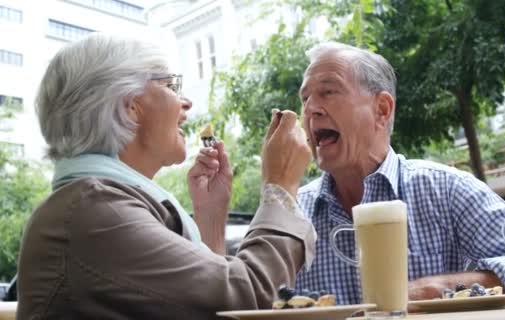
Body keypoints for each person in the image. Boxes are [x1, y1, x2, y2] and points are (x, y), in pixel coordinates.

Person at [17, 33, 314, 319]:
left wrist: (209, 218)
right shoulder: (95, 211)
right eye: (171, 86)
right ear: (130, 106)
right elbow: (244, 300)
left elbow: (196, 307)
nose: (186, 103)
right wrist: (280, 188)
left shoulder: (98, 203)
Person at [294, 41, 505, 305]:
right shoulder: (292, 213)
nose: (311, 110)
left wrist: (437, 289)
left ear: (382, 110)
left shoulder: (447, 191)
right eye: (305, 98)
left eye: (328, 91)